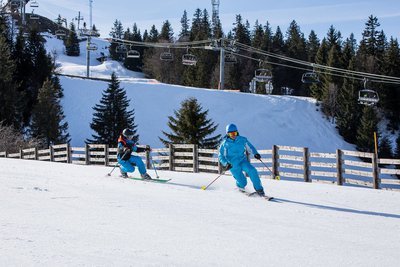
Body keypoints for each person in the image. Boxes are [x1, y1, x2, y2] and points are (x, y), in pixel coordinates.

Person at [218, 123, 265, 196]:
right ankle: (239, 187)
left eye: (235, 133)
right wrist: (225, 163)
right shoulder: (224, 144)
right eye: (231, 134)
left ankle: (259, 190)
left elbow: (250, 147)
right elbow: (221, 156)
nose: (233, 135)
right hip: (233, 165)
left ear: (237, 132)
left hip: (242, 161)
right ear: (227, 134)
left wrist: (255, 153)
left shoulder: (242, 140)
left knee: (252, 170)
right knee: (243, 182)